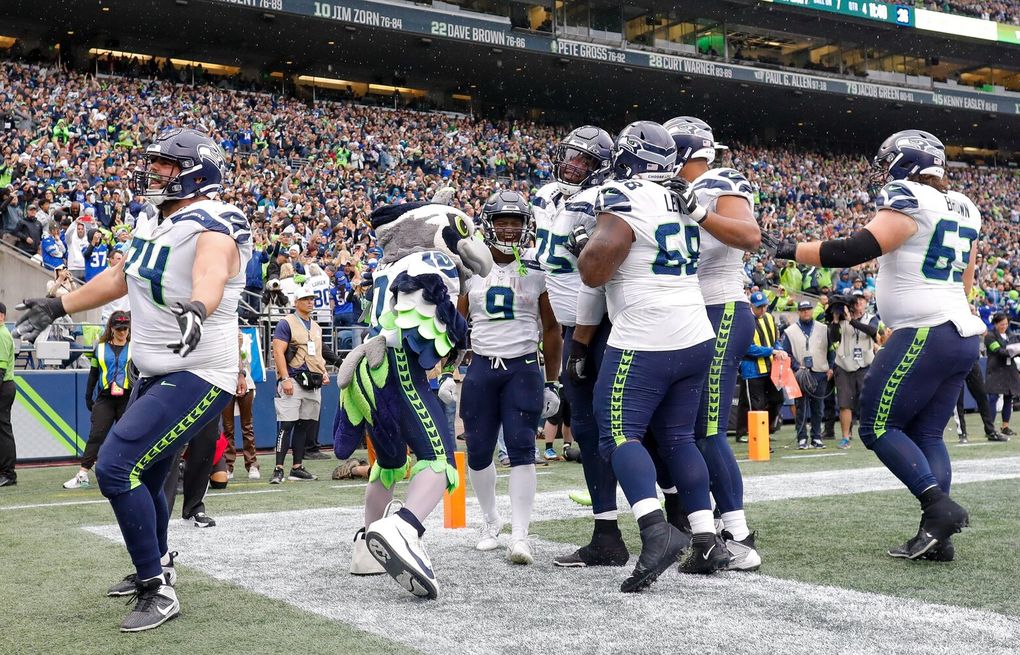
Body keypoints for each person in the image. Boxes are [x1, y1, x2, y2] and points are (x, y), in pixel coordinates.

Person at [13, 127, 251, 630]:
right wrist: (60, 305)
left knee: (116, 467)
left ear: (195, 169)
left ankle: (155, 588)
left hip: (197, 371)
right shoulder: (157, 222)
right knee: (145, 471)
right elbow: (121, 277)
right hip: (156, 369)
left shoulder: (215, 220)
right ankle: (158, 564)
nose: (155, 172)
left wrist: (197, 307)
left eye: (165, 164)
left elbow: (212, 268)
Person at [764, 129, 984, 561]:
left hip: (925, 328)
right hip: (960, 330)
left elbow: (854, 249)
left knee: (876, 426)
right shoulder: (967, 206)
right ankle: (939, 535)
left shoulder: (910, 196)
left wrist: (791, 249)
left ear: (905, 164)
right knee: (925, 432)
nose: (884, 171)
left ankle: (936, 508)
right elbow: (967, 279)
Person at [578, 121, 725, 593]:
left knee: (618, 434)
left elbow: (596, 268)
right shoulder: (684, 195)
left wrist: (581, 246)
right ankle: (706, 538)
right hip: (695, 329)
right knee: (680, 437)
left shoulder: (622, 194)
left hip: (645, 333)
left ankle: (654, 530)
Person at [659, 115, 763, 570]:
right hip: (693, 313)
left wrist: (698, 210)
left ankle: (738, 534)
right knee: (683, 429)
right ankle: (699, 520)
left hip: (719, 308)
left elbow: (750, 236)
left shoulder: (720, 179)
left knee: (706, 430)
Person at [532, 125, 629, 569]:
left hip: (605, 327)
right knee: (589, 432)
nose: (573, 166)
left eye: (584, 161)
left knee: (625, 429)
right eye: (570, 156)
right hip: (575, 328)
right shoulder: (548, 196)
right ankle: (606, 532)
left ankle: (679, 521)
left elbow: (599, 271)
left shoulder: (605, 198)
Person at [458, 190, 561, 565]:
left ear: (526, 227)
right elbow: (456, 325)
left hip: (522, 367)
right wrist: (450, 370)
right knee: (479, 449)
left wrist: (553, 380)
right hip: (482, 366)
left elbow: (552, 329)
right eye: (501, 221)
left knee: (521, 448)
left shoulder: (537, 269)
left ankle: (520, 535)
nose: (508, 229)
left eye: (515, 223)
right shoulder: (469, 270)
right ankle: (490, 523)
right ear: (487, 225)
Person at [62, 311, 132, 489]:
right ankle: (83, 474)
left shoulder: (135, 348)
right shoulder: (100, 348)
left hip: (127, 398)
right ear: (111, 328)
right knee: (96, 436)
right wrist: (88, 395)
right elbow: (93, 374)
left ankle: (130, 473)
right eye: (119, 328)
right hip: (105, 399)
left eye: (125, 328)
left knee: (129, 437)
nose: (122, 332)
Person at [269, 286, 328, 484]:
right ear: (296, 302)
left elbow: (318, 354)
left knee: (305, 425)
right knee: (287, 424)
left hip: (313, 380)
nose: (310, 302)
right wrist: (285, 378)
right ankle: (278, 468)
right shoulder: (286, 323)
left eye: (312, 298)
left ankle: (297, 466)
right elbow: (278, 351)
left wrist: (325, 372)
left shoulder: (316, 326)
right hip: (293, 378)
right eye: (305, 299)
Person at [829, 291, 880, 449]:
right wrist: (836, 320)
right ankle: (845, 437)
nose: (858, 303)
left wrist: (852, 321)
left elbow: (872, 332)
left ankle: (871, 433)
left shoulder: (871, 318)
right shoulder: (843, 319)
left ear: (866, 303)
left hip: (865, 365)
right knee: (844, 403)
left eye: (861, 300)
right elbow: (834, 338)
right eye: (855, 301)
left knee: (868, 401)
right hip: (844, 366)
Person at [736, 291, 786, 440]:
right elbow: (747, 348)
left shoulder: (770, 318)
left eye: (764, 306)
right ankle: (747, 433)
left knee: (777, 399)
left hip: (771, 368)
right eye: (759, 307)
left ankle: (765, 429)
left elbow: (775, 340)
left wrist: (780, 350)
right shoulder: (744, 321)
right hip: (752, 369)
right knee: (754, 404)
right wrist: (772, 350)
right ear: (751, 306)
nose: (762, 309)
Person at [782, 301, 830, 450]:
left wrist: (831, 367)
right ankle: (802, 438)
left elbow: (831, 350)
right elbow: (787, 353)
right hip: (800, 373)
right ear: (798, 312)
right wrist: (797, 367)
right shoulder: (790, 331)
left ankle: (817, 437)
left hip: (820, 371)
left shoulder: (823, 328)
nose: (806, 312)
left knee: (818, 408)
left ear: (812, 310)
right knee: (801, 407)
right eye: (802, 310)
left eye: (808, 309)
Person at [222, 330, 259, 479]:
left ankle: (252, 464)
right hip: (225, 382)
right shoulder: (221, 341)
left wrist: (240, 344)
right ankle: (228, 465)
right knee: (227, 428)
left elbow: (247, 360)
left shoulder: (246, 339)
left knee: (247, 426)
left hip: (246, 382)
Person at [984, 312, 1020, 437]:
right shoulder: (990, 336)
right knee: (993, 398)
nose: (1004, 326)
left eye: (1006, 324)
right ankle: (990, 427)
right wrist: (1012, 350)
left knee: (1008, 398)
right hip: (995, 370)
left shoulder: (1012, 335)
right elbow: (998, 351)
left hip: (1010, 370)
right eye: (1001, 324)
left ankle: (1005, 426)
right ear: (995, 323)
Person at [0, 302, 15, 488]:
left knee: (3, 430)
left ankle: (8, 473)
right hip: (4, 385)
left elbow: (0, 370)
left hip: (4, 386)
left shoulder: (2, 335)